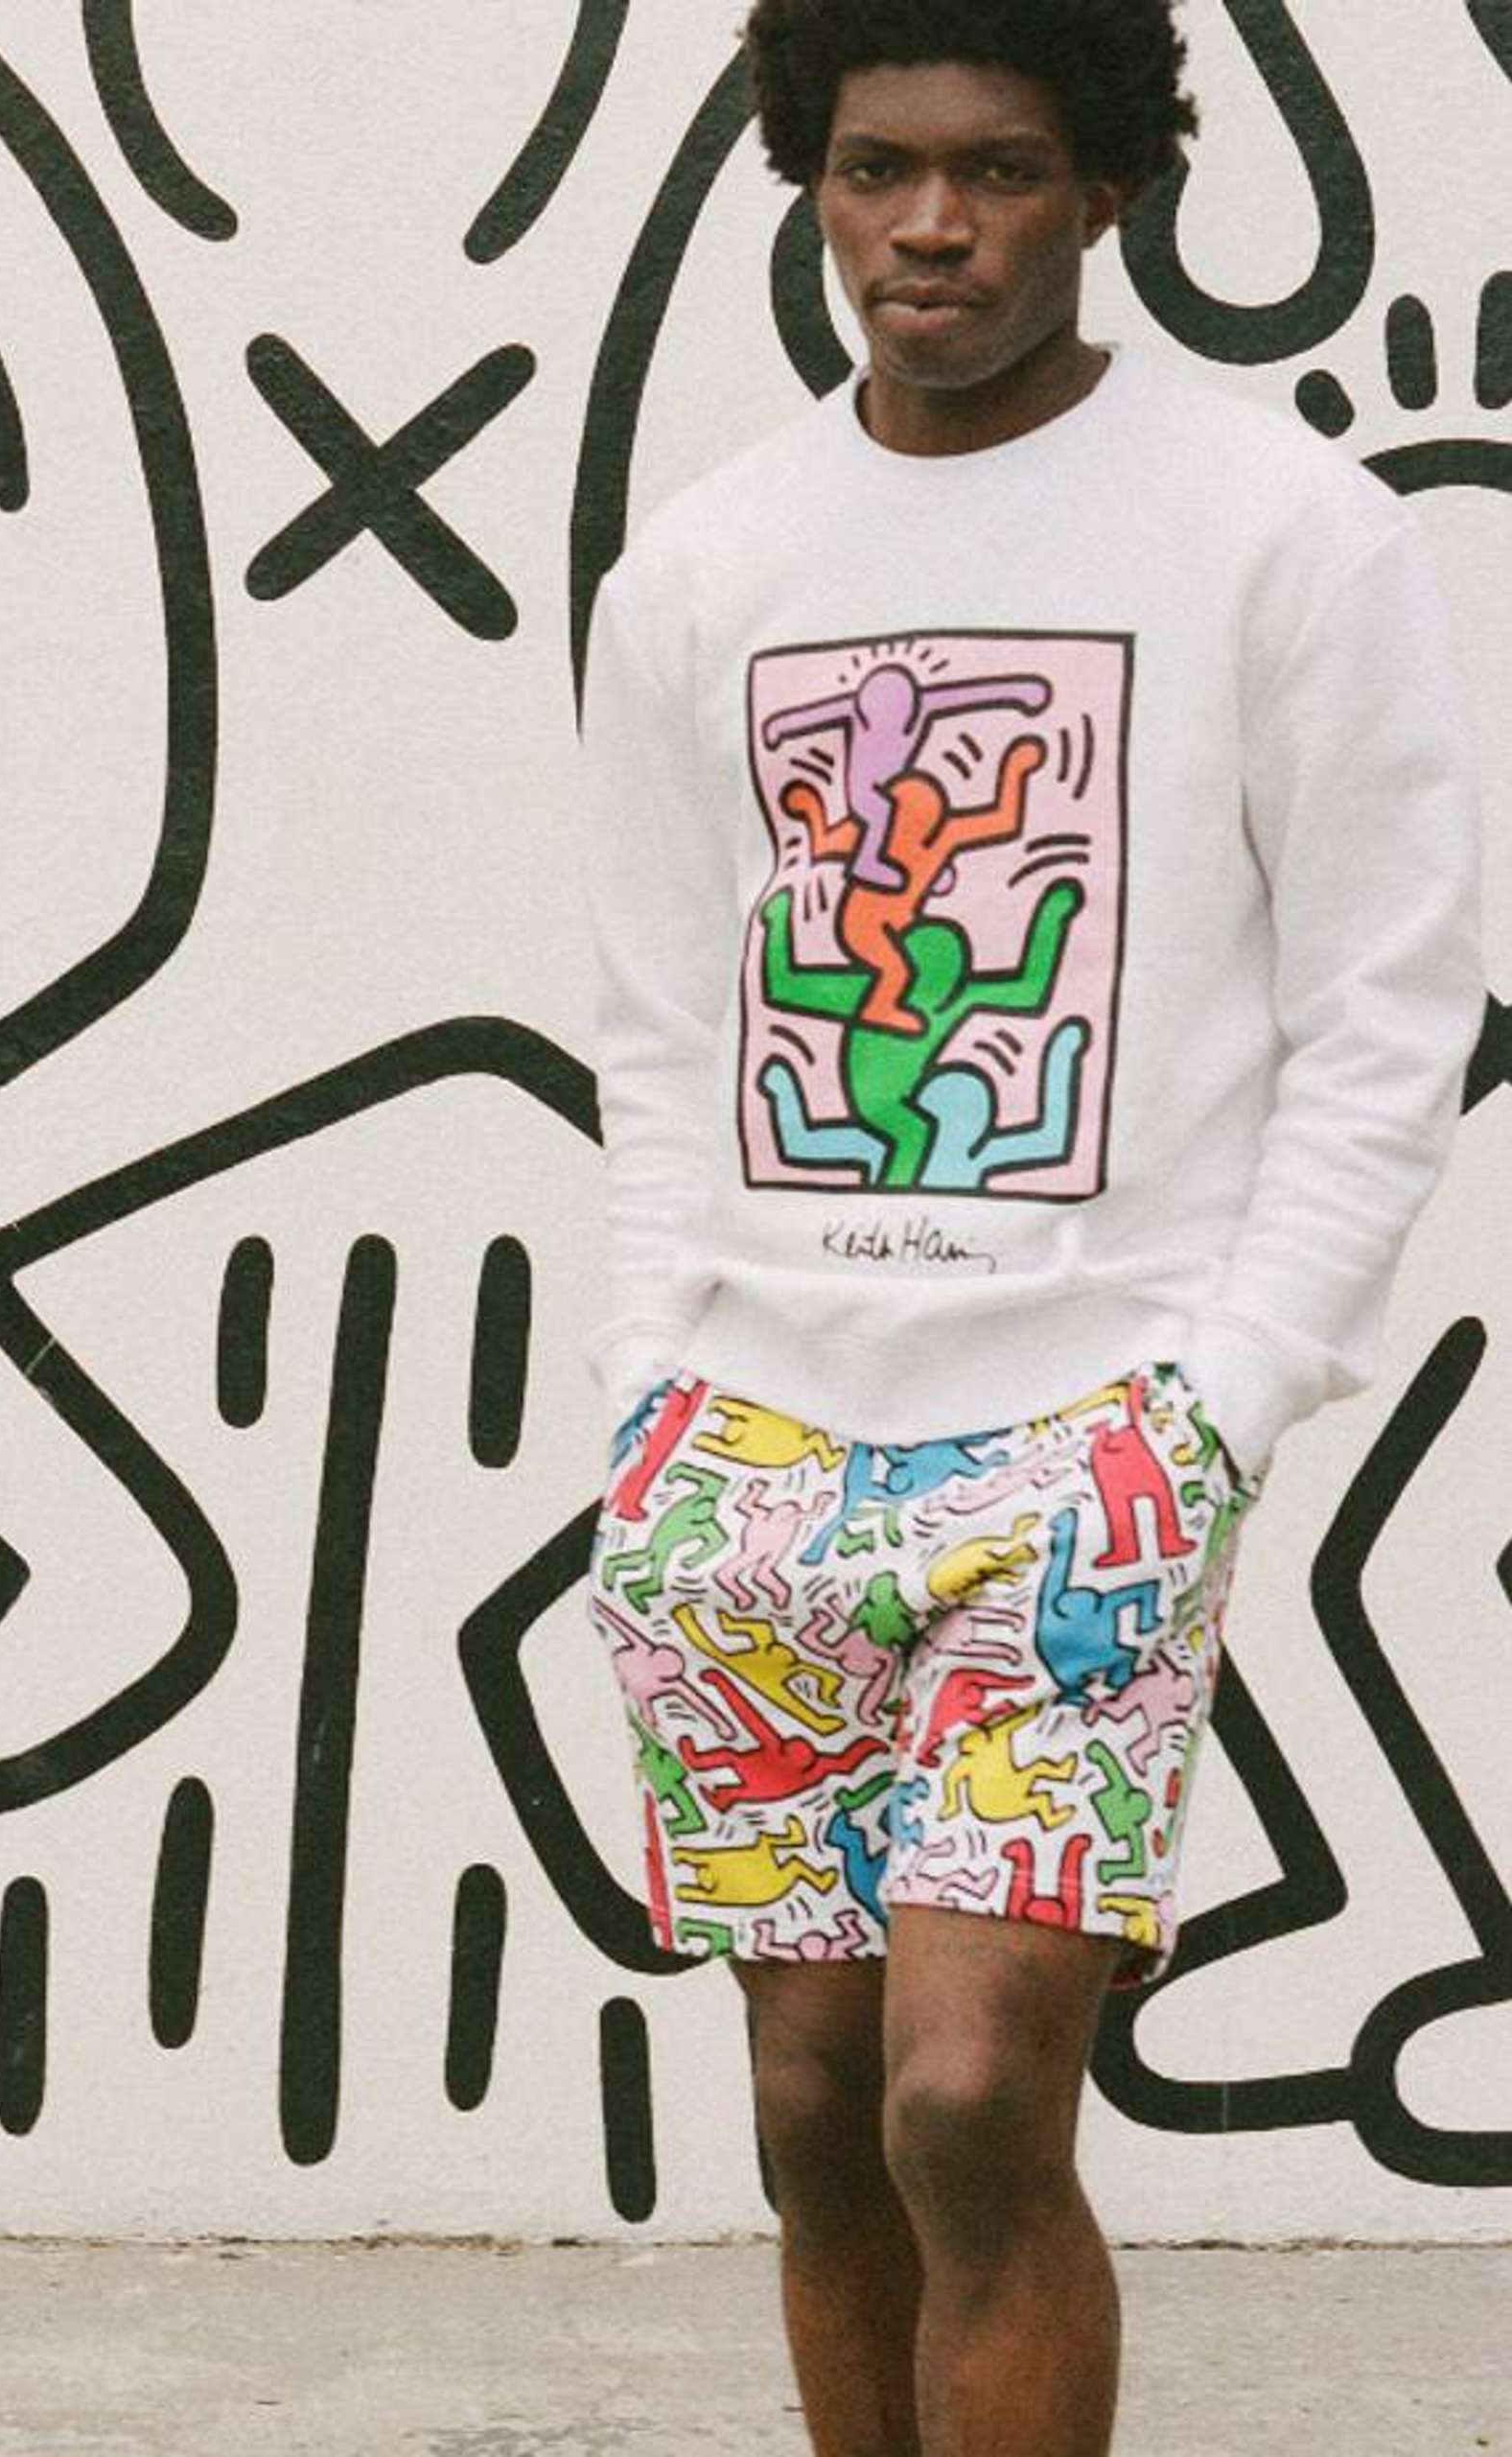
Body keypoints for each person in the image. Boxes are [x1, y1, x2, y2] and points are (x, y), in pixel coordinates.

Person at [579, 4, 1483, 2450]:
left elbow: (1391, 1010)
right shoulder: (709, 568)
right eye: (876, 172)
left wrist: (1221, 1396)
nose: (931, 229)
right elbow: (666, 1026)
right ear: (812, 178)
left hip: (1088, 1438)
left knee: (970, 2099)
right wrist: (656, 1386)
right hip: (755, 1440)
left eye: (993, 172)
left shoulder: (1280, 532)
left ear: (1106, 188)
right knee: (810, 2108)